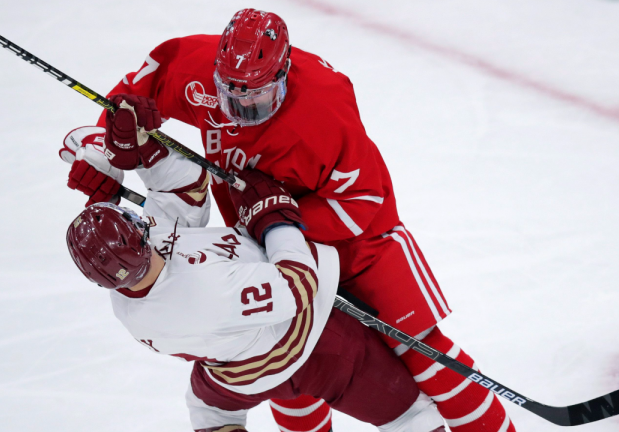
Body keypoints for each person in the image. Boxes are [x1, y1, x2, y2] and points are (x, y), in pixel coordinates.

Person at [63, 8, 516, 432]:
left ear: (282, 73)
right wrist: (105, 151)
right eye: (229, 94)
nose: (239, 109)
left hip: (358, 244)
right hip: (267, 240)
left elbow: (361, 200)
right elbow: (126, 103)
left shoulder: (323, 108)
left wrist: (279, 221)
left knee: (422, 352)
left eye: (255, 97)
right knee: (292, 367)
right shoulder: (194, 69)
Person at [64, 132, 446, 432]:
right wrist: (274, 221)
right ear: (141, 245)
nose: (143, 221)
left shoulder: (129, 289)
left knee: (208, 412)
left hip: (232, 375)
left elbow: (183, 201)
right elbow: (298, 285)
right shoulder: (203, 294)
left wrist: (145, 151)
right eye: (139, 226)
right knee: (409, 418)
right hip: (312, 348)